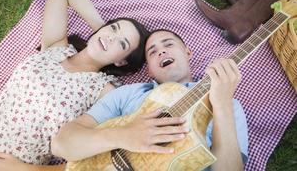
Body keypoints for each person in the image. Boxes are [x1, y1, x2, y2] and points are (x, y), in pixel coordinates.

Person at [0, 0, 150, 171]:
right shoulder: (55, 47)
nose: (112, 37)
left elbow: (101, 161)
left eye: (122, 43)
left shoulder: (105, 92)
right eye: (114, 28)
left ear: (122, 61)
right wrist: (103, 32)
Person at [52, 29, 248, 171]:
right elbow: (61, 144)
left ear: (188, 53)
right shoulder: (127, 94)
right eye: (152, 52)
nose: (161, 51)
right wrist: (123, 135)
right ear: (150, 71)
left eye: (169, 44)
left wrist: (221, 106)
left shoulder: (228, 103)